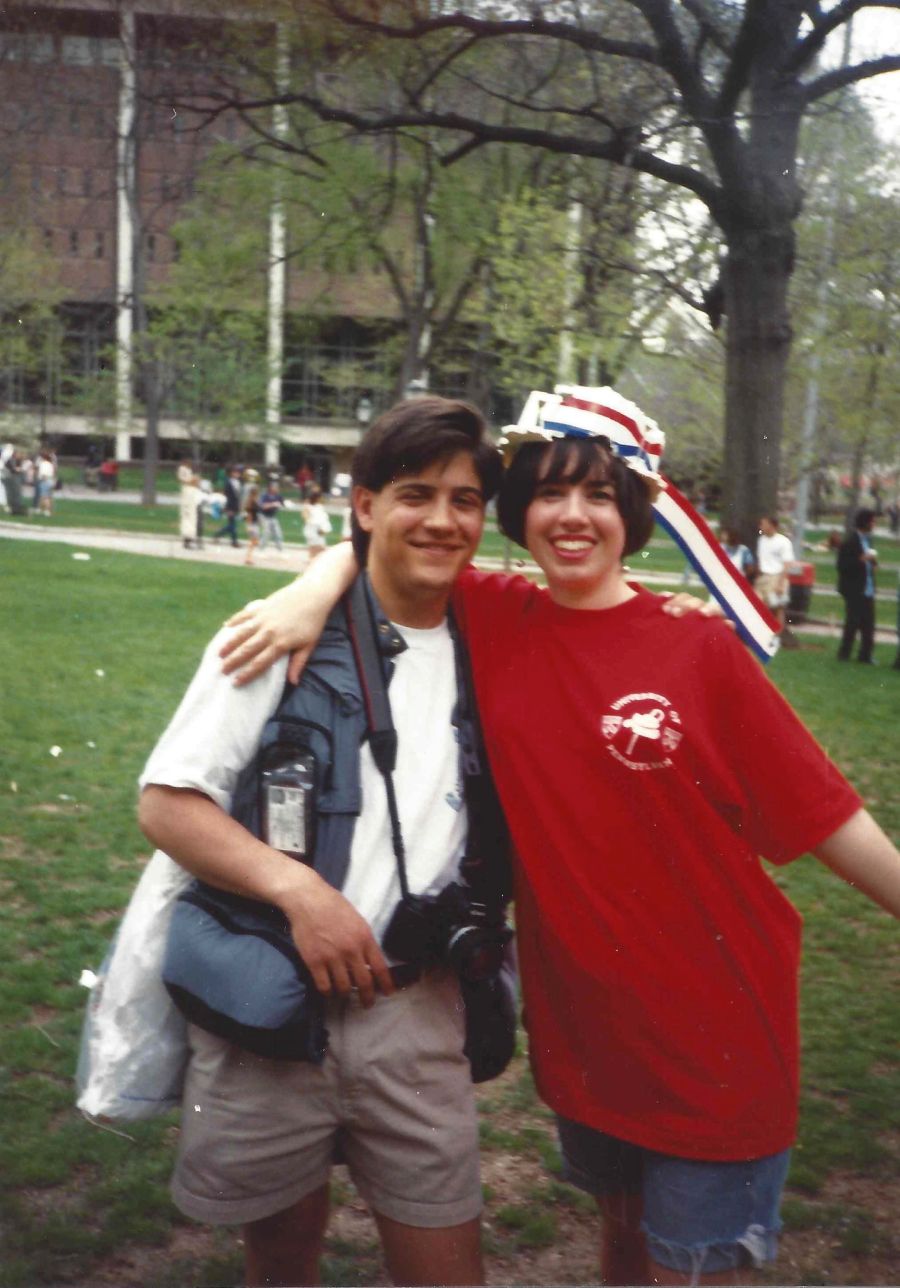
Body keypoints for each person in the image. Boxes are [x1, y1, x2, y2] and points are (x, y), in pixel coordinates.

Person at [221, 389, 900, 1287]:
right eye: (548, 493)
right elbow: (379, 546)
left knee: (692, 1269)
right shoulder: (496, 620)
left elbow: (829, 819)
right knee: (619, 1248)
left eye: (599, 496)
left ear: (633, 514)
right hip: (589, 1036)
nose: (573, 517)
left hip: (716, 1036)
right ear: (520, 512)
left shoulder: (700, 652)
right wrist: (309, 592)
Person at [137, 399, 510, 1288]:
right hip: (272, 997)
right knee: (279, 1257)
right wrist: (299, 893)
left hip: (418, 1010)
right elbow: (166, 804)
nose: (443, 519)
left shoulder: (498, 643)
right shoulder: (277, 635)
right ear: (367, 504)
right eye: (417, 493)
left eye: (465, 500)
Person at [836, 508, 878, 664]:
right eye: (873, 521)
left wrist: (873, 563)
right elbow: (842, 566)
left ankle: (865, 655)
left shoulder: (868, 540)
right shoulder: (850, 541)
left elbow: (868, 561)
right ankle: (844, 653)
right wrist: (861, 560)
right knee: (852, 623)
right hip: (854, 590)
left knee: (869, 624)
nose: (874, 524)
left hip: (868, 589)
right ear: (865, 522)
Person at [755, 514, 794, 633]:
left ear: (772, 525)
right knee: (759, 604)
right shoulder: (761, 539)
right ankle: (762, 632)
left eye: (763, 524)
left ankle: (778, 634)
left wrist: (781, 584)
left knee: (777, 608)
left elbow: (787, 563)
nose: (761, 526)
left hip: (776, 577)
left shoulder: (783, 541)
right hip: (763, 577)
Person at [213, 465, 242, 548]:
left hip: (236, 506)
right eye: (235, 473)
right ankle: (234, 542)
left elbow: (238, 496)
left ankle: (218, 534)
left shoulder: (238, 483)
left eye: (238, 473)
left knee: (231, 524)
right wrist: (226, 507)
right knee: (232, 525)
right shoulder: (228, 482)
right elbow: (226, 496)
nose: (237, 474)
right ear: (232, 473)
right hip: (229, 506)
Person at [302, 485, 332, 561]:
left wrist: (323, 529)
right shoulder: (309, 507)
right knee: (315, 550)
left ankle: (313, 563)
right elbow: (306, 518)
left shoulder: (319, 507)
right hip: (313, 531)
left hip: (317, 531)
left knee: (320, 550)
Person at [259, 479, 286, 553]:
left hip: (273, 516)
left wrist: (283, 504)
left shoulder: (278, 496)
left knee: (278, 533)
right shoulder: (265, 495)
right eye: (275, 487)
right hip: (264, 516)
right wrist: (273, 504)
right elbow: (262, 506)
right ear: (270, 487)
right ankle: (261, 550)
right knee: (266, 533)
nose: (277, 488)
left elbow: (283, 504)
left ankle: (280, 550)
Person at [243, 483, 261, 566]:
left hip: (255, 523)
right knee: (253, 541)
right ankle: (248, 558)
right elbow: (249, 515)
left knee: (254, 541)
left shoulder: (254, 501)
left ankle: (249, 557)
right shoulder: (251, 503)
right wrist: (249, 525)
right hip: (252, 524)